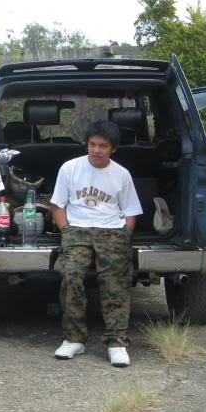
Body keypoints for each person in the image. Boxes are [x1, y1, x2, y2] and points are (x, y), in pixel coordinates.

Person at [50, 120, 143, 367]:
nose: (96, 150)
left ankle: (117, 343)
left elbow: (131, 211)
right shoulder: (70, 168)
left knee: (115, 283)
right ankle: (74, 339)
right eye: (92, 144)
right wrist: (67, 231)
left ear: (113, 148)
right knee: (71, 276)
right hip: (77, 231)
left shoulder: (121, 174)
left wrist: (124, 235)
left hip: (112, 231)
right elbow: (57, 205)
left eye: (103, 145)